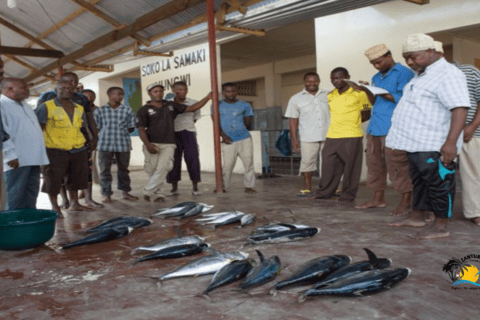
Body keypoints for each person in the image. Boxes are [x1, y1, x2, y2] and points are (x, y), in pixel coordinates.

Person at [386, 34, 469, 239]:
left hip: (434, 143)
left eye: (413, 57)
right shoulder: (422, 75)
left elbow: (459, 108)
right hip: (415, 142)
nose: (410, 62)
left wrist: (450, 143)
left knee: (441, 183)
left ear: (430, 52)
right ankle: (417, 217)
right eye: (406, 58)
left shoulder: (448, 73)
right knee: (419, 183)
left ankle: (441, 226)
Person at [355, 44, 415, 215]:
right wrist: (368, 91)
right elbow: (375, 102)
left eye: (379, 62)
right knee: (375, 165)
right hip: (375, 127)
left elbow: (403, 99)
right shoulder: (376, 77)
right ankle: (377, 199)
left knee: (398, 166)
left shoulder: (404, 73)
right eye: (373, 63)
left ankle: (405, 201)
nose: (376, 66)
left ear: (389, 56)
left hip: (394, 127)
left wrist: (379, 92)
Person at [137, 83, 211, 202]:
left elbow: (192, 108)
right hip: (153, 142)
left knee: (164, 167)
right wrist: (147, 144)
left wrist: (207, 97)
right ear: (150, 93)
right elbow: (141, 128)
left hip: (169, 142)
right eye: (155, 91)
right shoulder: (143, 110)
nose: (158, 93)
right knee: (152, 169)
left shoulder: (171, 105)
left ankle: (147, 191)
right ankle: (160, 193)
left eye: (160, 91)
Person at [37, 72, 98, 209]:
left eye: (69, 88)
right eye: (62, 89)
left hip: (77, 148)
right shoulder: (46, 106)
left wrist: (92, 140)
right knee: (53, 179)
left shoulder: (79, 107)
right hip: (55, 149)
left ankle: (74, 203)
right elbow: (37, 130)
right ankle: (55, 207)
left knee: (76, 177)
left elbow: (82, 127)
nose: (67, 90)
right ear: (56, 91)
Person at [313, 67, 374, 203]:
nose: (337, 81)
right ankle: (324, 193)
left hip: (351, 135)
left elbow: (366, 114)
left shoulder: (359, 93)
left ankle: (347, 195)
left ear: (348, 77)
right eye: (334, 78)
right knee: (329, 166)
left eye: (340, 77)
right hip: (332, 135)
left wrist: (351, 122)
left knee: (351, 168)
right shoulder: (330, 95)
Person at [1, 78, 49, 210]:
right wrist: (9, 155)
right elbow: (2, 133)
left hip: (33, 158)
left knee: (31, 194)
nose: (28, 90)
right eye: (23, 88)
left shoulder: (24, 104)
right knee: (14, 196)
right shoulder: (2, 105)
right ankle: (13, 226)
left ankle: (27, 224)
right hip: (16, 160)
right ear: (9, 89)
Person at [284, 72, 330, 197]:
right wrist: (294, 139)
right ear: (304, 82)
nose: (312, 83)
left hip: (329, 135)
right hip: (308, 136)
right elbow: (293, 120)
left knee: (330, 162)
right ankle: (307, 188)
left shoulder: (328, 95)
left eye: (314, 81)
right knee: (307, 162)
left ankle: (329, 187)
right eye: (309, 81)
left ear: (319, 81)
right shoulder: (296, 98)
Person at [449, 52, 480, 226]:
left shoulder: (470, 71)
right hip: (439, 134)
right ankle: (436, 211)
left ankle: (476, 211)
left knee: (473, 173)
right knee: (437, 175)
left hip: (471, 133)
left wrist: (472, 126)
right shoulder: (425, 76)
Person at [95, 87, 138, 203]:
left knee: (123, 169)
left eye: (122, 94)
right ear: (110, 95)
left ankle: (125, 192)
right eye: (118, 94)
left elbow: (131, 127)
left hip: (123, 144)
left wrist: (120, 132)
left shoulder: (128, 110)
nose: (120, 96)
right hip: (104, 144)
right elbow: (97, 128)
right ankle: (106, 194)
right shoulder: (100, 111)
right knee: (105, 170)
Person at [216, 83, 256, 194]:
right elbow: (215, 123)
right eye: (228, 91)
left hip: (244, 139)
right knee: (227, 167)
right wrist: (223, 135)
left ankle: (249, 186)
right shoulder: (217, 105)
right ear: (223, 93)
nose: (231, 93)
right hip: (228, 140)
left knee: (248, 164)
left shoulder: (245, 105)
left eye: (233, 91)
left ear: (236, 92)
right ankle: (224, 187)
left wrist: (239, 128)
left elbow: (248, 122)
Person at [166, 81, 203, 196]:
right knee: (174, 161)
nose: (182, 92)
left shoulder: (193, 102)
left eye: (184, 89)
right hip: (173, 134)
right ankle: (174, 187)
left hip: (189, 133)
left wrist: (186, 126)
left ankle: (195, 187)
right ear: (173, 90)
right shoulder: (168, 104)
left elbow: (195, 118)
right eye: (179, 89)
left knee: (193, 160)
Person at [78, 89, 103, 208]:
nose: (88, 98)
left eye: (91, 96)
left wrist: (95, 139)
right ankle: (73, 198)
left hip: (89, 141)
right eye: (86, 96)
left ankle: (88, 197)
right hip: (72, 142)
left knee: (89, 168)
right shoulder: (72, 107)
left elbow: (96, 125)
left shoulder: (96, 110)